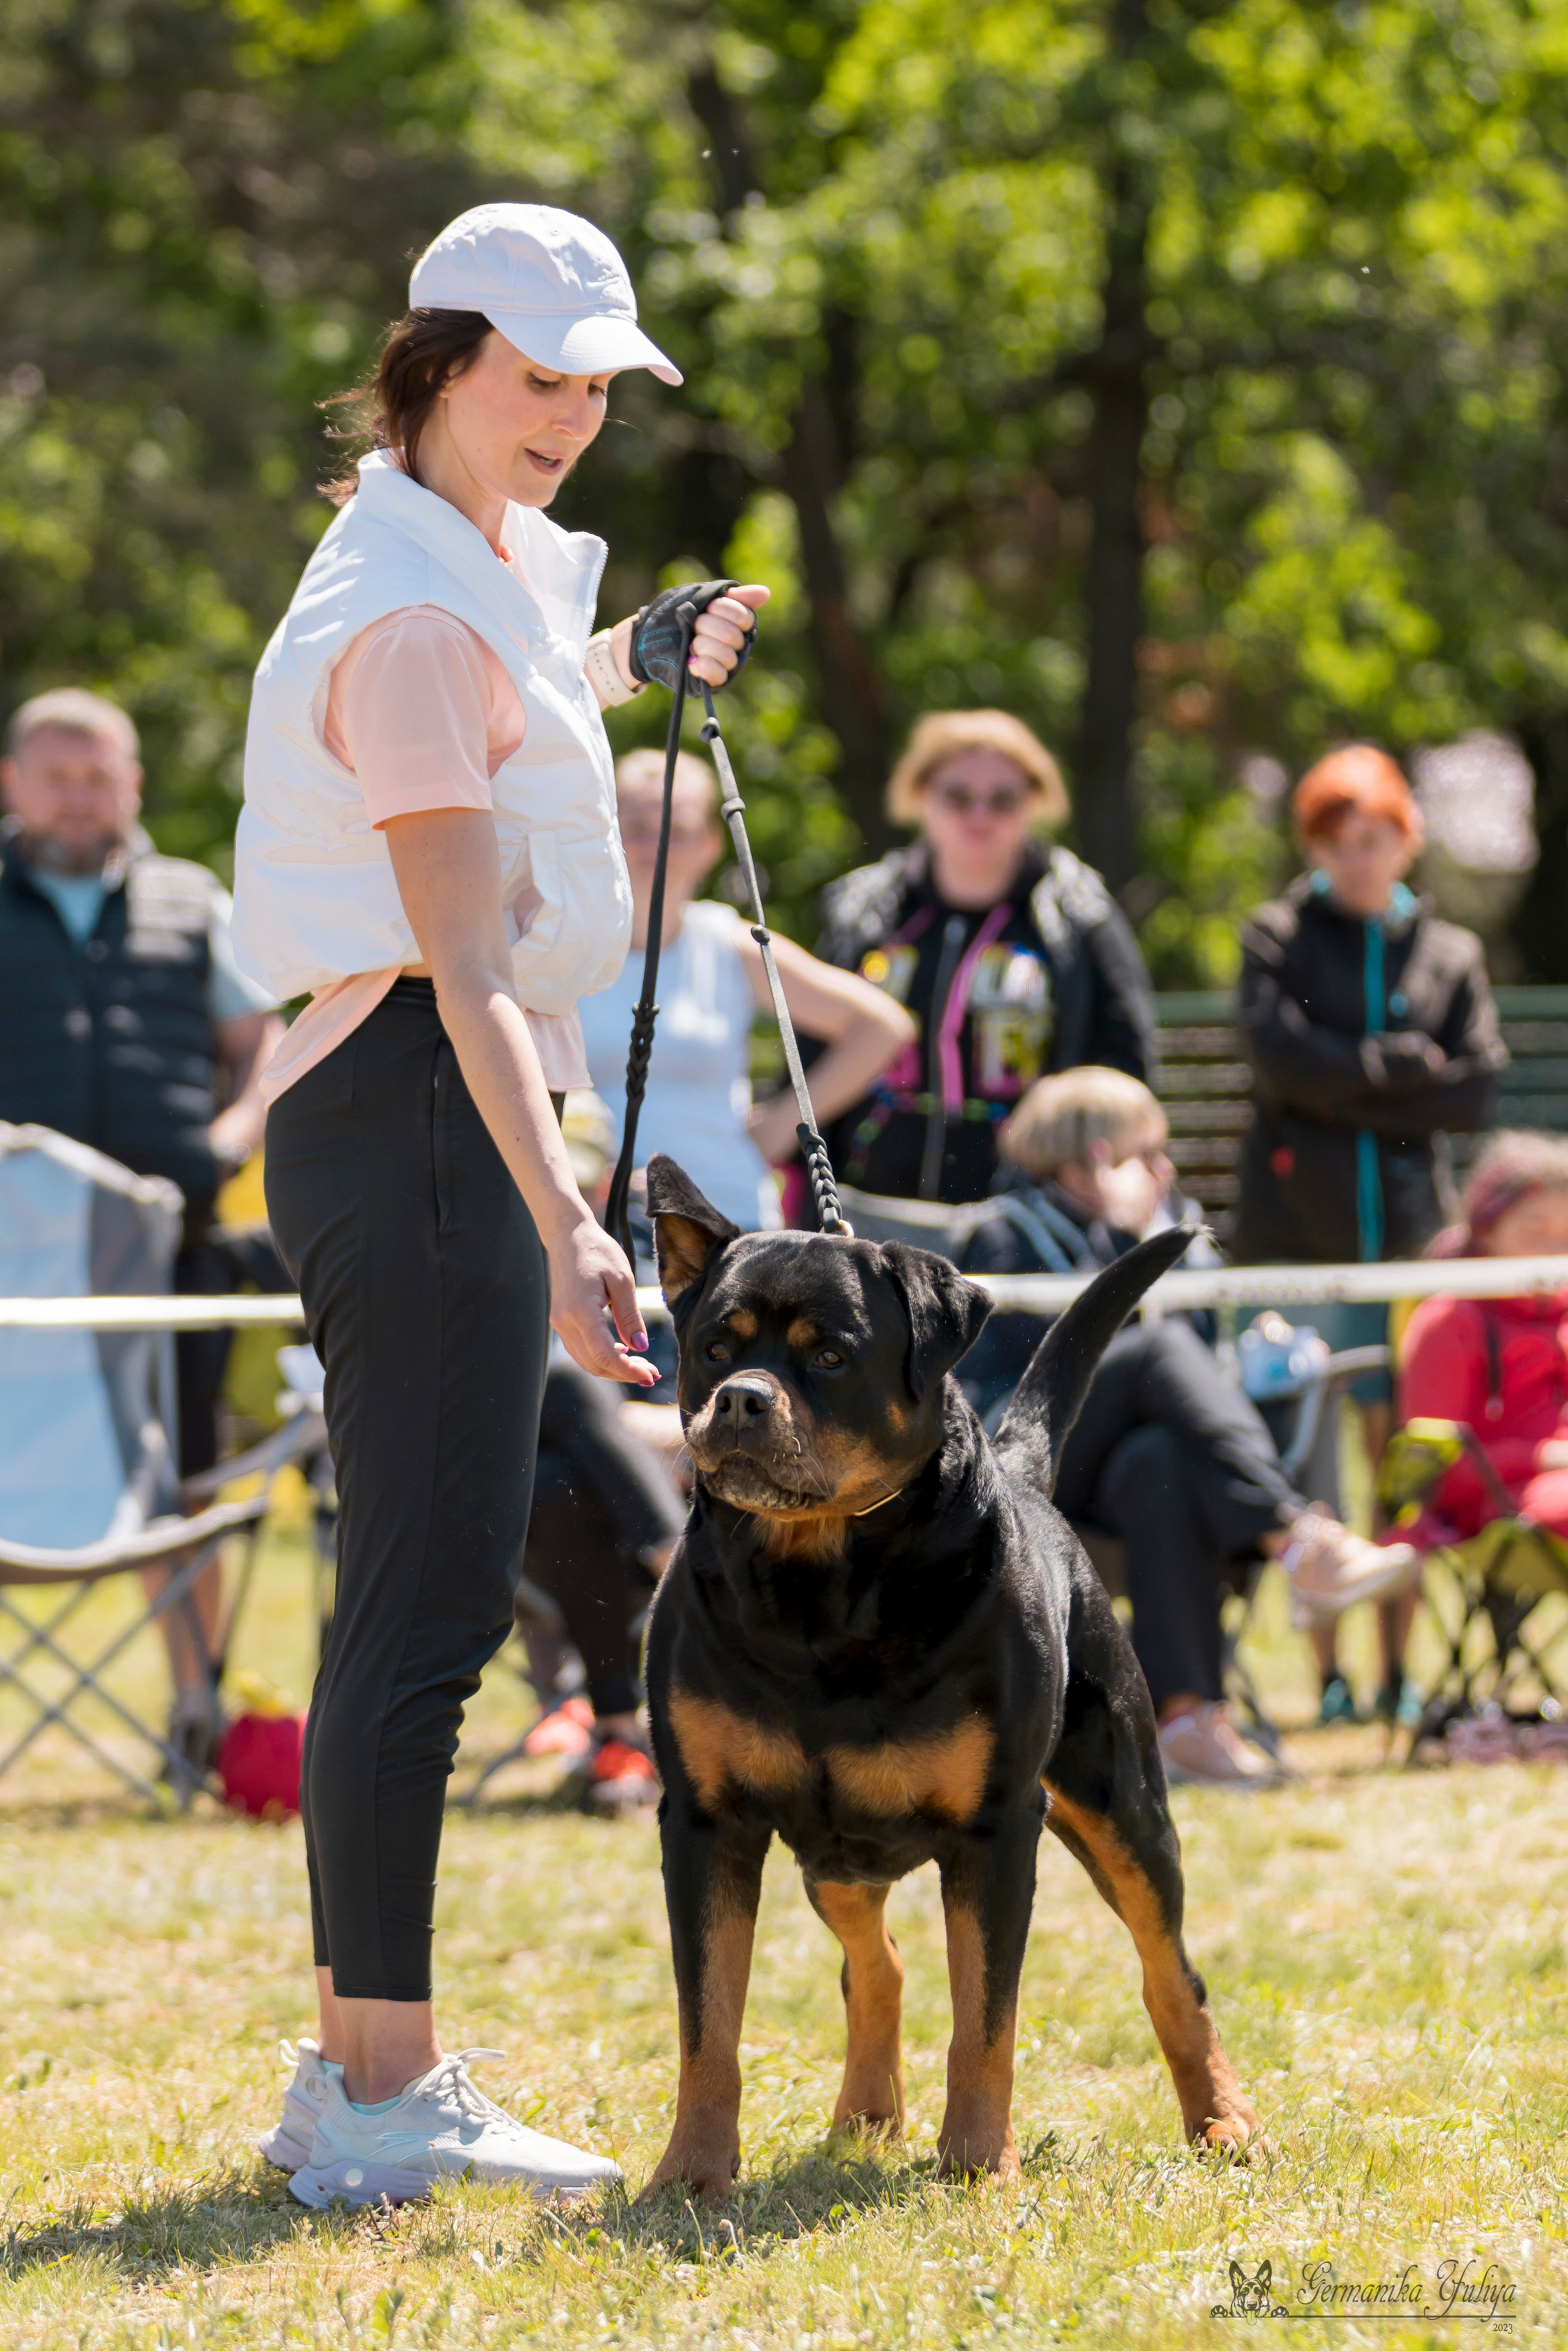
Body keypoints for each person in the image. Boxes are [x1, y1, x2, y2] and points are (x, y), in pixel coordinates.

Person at [233, 201, 766, 2208]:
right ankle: (381, 2091)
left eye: (597, 385)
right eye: (541, 377)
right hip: (419, 1101)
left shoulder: (456, 563)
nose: (572, 416)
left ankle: (357, 2072)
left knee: (413, 1599)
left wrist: (632, 657)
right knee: (430, 1609)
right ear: (438, 363)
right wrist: (567, 1218)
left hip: (404, 1103)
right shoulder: (414, 610)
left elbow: (512, 711)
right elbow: (466, 971)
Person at [956, 1066, 1418, 1787]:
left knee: (1158, 1461)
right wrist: (1121, 1240)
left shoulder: (1169, 1226)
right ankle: (1297, 1537)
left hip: (1116, 1476)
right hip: (1019, 1466)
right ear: (1089, 1159)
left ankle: (1184, 1720)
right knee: (1156, 1347)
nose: (1165, 1170)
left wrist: (1149, 1241)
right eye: (1146, 1153)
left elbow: (1198, 1362)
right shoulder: (1002, 1233)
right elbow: (1038, 1367)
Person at [0, 686, 287, 1761]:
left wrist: (234, 1135)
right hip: (13, 1265)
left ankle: (195, 1713)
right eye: (57, 776)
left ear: (133, 785)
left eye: (99, 776)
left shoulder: (191, 896)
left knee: (185, 1471)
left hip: (171, 1252)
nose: (79, 797)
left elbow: (263, 1040)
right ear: (13, 783)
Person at [1234, 744, 1506, 1723]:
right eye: (1338, 842)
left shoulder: (1450, 952)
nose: (1358, 858)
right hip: (1294, 1243)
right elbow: (1279, 1061)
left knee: (1404, 1461)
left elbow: (1474, 1088)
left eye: (1376, 839)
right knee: (1309, 1465)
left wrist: (1341, 1078)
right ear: (1313, 847)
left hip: (1408, 1243)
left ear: (1407, 840)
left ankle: (1397, 1672)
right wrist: (1400, 1070)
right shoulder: (1276, 936)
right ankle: (1329, 1676)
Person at [816, 709, 1156, 1205]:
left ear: (1034, 801)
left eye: (1003, 799)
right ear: (920, 795)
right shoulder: (867, 909)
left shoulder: (1078, 911)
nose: (979, 815)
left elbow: (1124, 1064)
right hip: (866, 1203)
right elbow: (808, 1049)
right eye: (957, 796)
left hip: (1027, 1209)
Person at [581, 746, 914, 1233]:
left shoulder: (729, 945)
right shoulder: (562, 948)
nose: (656, 846)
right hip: (595, 1225)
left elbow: (883, 1027)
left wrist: (781, 1128)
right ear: (605, 832)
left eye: (677, 830)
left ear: (710, 846)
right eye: (637, 828)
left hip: (728, 1220)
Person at [1395, 1133, 1568, 1549]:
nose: (1555, 1251)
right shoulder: (1450, 1321)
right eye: (1535, 1233)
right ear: (1487, 1231)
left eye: (1567, 1236)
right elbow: (1433, 1474)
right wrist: (1542, 1457)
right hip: (1496, 1509)